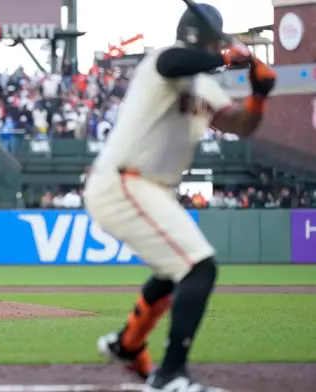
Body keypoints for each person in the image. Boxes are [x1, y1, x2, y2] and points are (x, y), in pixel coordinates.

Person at [83, 4, 275, 392]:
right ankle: (170, 375)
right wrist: (225, 56)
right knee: (199, 267)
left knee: (176, 270)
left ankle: (127, 344)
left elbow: (241, 126)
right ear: (205, 38)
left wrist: (258, 95)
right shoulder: (163, 61)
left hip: (150, 189)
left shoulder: (205, 85)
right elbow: (175, 61)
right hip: (123, 182)